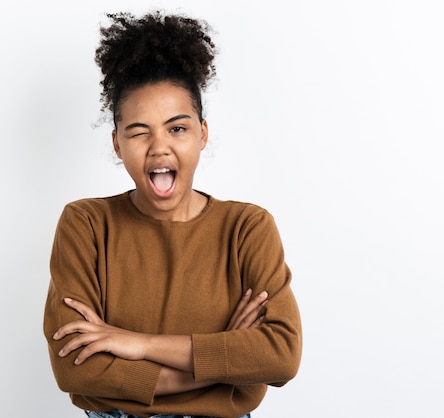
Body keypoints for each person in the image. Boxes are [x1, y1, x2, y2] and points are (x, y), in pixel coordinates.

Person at [43, 10, 302, 418]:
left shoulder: (247, 227)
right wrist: (226, 357)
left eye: (177, 128)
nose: (159, 147)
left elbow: (281, 356)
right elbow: (74, 368)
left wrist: (136, 343)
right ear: (116, 143)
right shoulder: (86, 224)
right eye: (139, 131)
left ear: (202, 132)